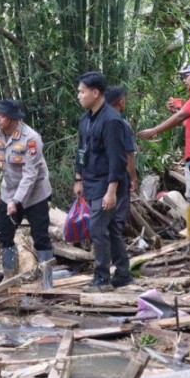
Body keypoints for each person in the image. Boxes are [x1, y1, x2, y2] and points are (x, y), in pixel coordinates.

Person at [0, 100, 54, 288]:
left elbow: (30, 174)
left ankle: (47, 282)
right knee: (4, 234)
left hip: (35, 194)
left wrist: (17, 202)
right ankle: (10, 278)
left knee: (40, 236)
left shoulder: (31, 138)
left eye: (2, 115)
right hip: (9, 190)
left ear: (13, 118)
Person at [75, 72, 132, 292]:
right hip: (91, 181)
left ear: (95, 92)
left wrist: (112, 191)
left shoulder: (111, 121)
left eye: (82, 91)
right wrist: (78, 178)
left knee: (97, 229)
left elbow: (117, 159)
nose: (79, 96)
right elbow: (80, 151)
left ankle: (102, 278)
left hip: (107, 183)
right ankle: (124, 273)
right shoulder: (86, 119)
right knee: (110, 228)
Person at [138, 63, 190, 235]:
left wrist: (154, 130)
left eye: (187, 76)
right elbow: (188, 122)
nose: (184, 80)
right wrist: (178, 109)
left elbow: (182, 116)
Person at [106, 86, 138, 263]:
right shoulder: (120, 123)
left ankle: (102, 255)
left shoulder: (94, 120)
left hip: (99, 177)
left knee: (102, 217)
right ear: (121, 102)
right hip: (118, 177)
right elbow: (128, 155)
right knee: (118, 217)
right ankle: (114, 258)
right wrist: (133, 177)